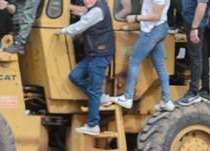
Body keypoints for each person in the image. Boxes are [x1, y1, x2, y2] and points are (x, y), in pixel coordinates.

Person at [57, 0, 115, 135]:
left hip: (100, 55)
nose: (86, 0)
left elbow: (80, 26)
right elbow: (86, 18)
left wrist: (62, 31)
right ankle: (101, 97)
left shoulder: (98, 10)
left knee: (94, 90)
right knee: (75, 76)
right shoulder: (95, 9)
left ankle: (93, 125)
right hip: (93, 54)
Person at [113, 0, 175, 113]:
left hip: (151, 30)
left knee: (134, 61)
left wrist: (136, 18)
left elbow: (156, 16)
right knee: (159, 64)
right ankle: (166, 100)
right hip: (159, 28)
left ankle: (127, 97)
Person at [175, 0, 210, 105]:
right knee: (194, 56)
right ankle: (194, 90)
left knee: (196, 57)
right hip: (189, 20)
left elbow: (202, 5)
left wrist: (194, 28)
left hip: (195, 24)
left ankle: (194, 92)